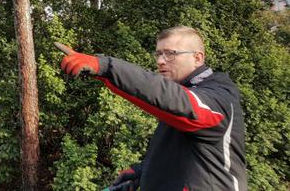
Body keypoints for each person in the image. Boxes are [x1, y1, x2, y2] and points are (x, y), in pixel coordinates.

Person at [59, 26, 247, 191]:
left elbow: (178, 101)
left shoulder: (218, 97)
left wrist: (107, 68)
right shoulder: (183, 93)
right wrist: (142, 173)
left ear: (198, 58)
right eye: (158, 54)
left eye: (170, 54)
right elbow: (183, 155)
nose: (161, 61)